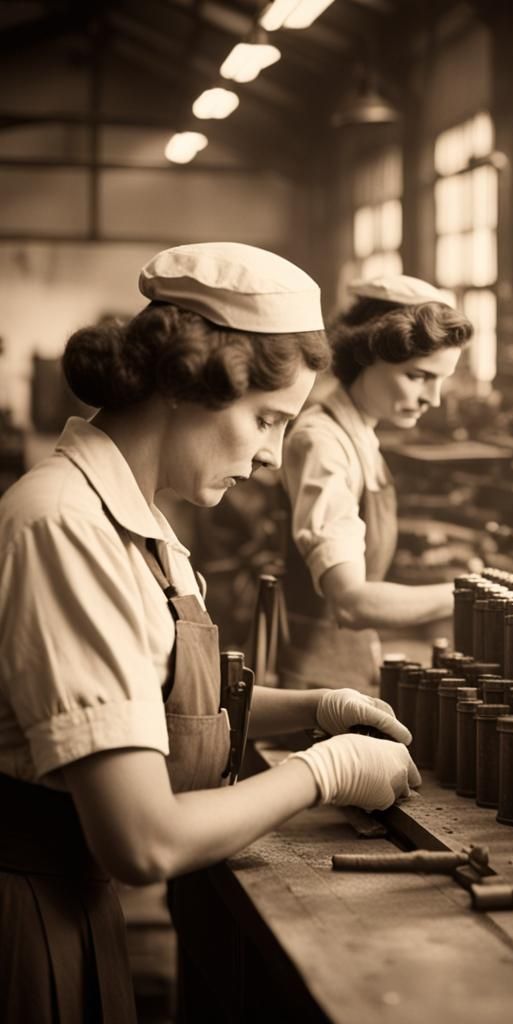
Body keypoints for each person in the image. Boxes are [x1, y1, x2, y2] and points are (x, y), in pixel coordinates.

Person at [0, 243, 420, 1022]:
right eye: (265, 421)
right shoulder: (64, 525)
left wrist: (313, 707)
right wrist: (320, 774)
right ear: (189, 386)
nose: (268, 458)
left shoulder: (139, 525)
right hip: (24, 921)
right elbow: (143, 840)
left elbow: (144, 702)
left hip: (76, 907)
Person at [279, 274, 473, 691]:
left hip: (350, 665)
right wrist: (476, 593)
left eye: (441, 380)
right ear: (367, 355)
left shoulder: (360, 432)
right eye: (419, 376)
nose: (433, 399)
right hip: (311, 679)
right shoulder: (322, 441)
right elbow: (351, 602)